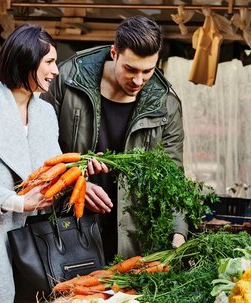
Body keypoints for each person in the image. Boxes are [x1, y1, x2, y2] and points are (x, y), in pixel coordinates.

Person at [0, 24, 106, 303]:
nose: (55, 71)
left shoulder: (45, 113)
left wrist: (80, 176)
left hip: (36, 244)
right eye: (49, 62)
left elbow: (50, 173)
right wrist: (17, 201)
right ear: (25, 60)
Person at [42, 15, 186, 263]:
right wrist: (73, 184)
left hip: (134, 239)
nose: (138, 80)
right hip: (69, 228)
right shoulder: (67, 81)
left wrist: (179, 233)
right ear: (114, 53)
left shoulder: (166, 105)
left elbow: (172, 175)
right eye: (130, 69)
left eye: (147, 71)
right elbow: (38, 150)